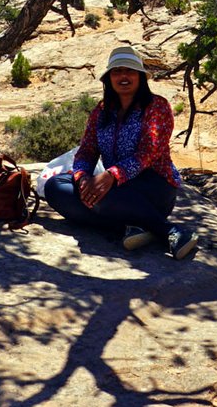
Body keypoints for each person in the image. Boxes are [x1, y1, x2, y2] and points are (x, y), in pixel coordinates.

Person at [43, 47, 198, 259]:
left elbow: (149, 152)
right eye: (117, 72)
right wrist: (82, 179)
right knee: (55, 188)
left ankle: (168, 230)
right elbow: (87, 151)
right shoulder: (101, 110)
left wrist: (112, 175)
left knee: (100, 197)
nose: (123, 77)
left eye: (130, 71)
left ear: (140, 77)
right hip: (114, 189)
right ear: (109, 79)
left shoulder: (156, 106)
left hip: (154, 186)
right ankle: (134, 229)